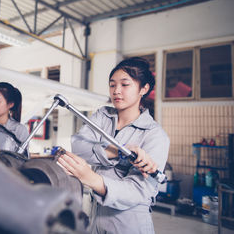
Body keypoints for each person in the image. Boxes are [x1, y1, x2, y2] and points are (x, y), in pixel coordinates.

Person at [57, 57, 170, 234]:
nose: (116, 91)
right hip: (96, 218)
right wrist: (118, 151)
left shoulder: (155, 135)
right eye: (112, 85)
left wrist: (92, 179)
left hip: (129, 223)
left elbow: (137, 190)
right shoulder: (102, 116)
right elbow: (79, 146)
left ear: (144, 88)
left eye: (125, 85)